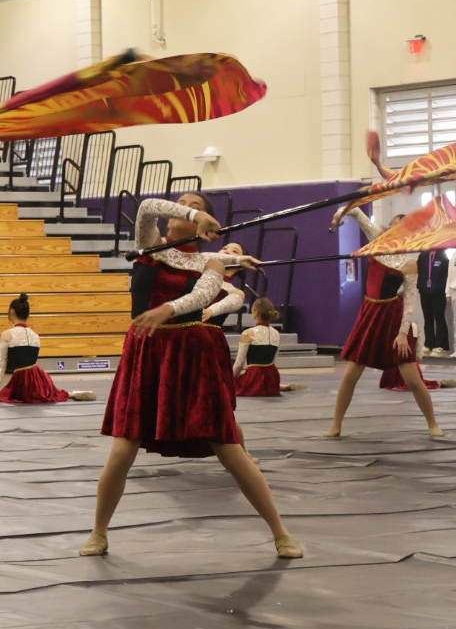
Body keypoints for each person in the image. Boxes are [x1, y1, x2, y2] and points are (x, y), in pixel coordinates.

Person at [85, 192, 302, 559]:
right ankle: (99, 532)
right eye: (183, 205)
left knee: (230, 449)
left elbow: (202, 298)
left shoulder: (212, 262)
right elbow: (145, 208)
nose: (185, 208)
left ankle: (280, 533)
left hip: (190, 355)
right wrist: (193, 214)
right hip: (147, 354)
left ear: (211, 224)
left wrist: (167, 309)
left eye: (198, 206)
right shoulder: (149, 245)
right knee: (123, 449)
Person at [323, 205, 443, 438]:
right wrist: (340, 215)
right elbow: (355, 210)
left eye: (401, 226)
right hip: (369, 314)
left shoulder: (409, 263)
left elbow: (409, 301)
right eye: (393, 224)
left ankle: (432, 423)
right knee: (351, 374)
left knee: (412, 378)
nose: (393, 228)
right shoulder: (377, 240)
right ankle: (336, 424)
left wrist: (402, 333)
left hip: (392, 317)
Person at [0, 293, 96, 403]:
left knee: (5, 395)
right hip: (40, 379)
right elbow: (30, 363)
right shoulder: (35, 336)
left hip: (21, 382)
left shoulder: (6, 335)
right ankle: (71, 394)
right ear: (28, 314)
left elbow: (1, 364)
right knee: (50, 393)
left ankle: (71, 393)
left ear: (11, 312)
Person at [233, 298, 305, 397]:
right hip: (272, 378)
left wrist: (229, 380)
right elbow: (272, 362)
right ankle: (278, 386)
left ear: (255, 312)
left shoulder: (248, 333)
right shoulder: (276, 333)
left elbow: (239, 364)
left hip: (254, 377)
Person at [417, 248, 450, 356]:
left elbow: (446, 275)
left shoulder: (443, 256)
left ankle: (441, 346)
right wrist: (421, 287)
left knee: (439, 318)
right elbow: (419, 272)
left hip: (439, 293)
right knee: (428, 318)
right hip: (424, 292)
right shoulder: (423, 255)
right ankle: (429, 344)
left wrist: (441, 289)